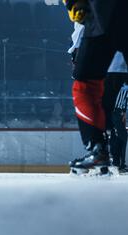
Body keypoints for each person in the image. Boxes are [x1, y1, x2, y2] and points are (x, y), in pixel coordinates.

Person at [63, 0, 128, 173]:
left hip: (103, 16)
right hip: (104, 16)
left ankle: (97, 149)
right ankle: (98, 150)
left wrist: (73, 3)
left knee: (85, 86)